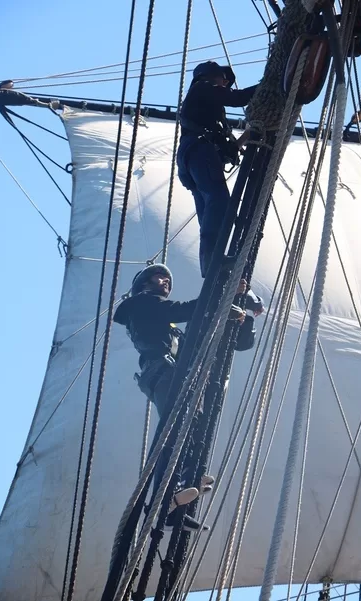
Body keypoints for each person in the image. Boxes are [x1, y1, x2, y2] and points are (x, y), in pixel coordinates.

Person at [113, 263, 264, 531]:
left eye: (168, 279)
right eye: (159, 277)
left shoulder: (167, 326)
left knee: (191, 427)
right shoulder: (143, 304)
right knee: (175, 430)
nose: (165, 281)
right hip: (163, 373)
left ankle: (178, 498)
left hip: (172, 374)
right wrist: (223, 297)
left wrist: (240, 314)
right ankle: (161, 503)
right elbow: (182, 309)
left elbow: (208, 336)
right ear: (143, 285)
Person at [177, 60, 258, 278]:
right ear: (208, 75)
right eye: (222, 78)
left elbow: (226, 148)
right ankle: (212, 258)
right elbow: (237, 98)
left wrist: (246, 137)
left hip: (193, 158)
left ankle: (212, 264)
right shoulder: (202, 89)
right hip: (198, 152)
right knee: (219, 200)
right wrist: (270, 87)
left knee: (209, 212)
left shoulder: (209, 112)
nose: (225, 83)